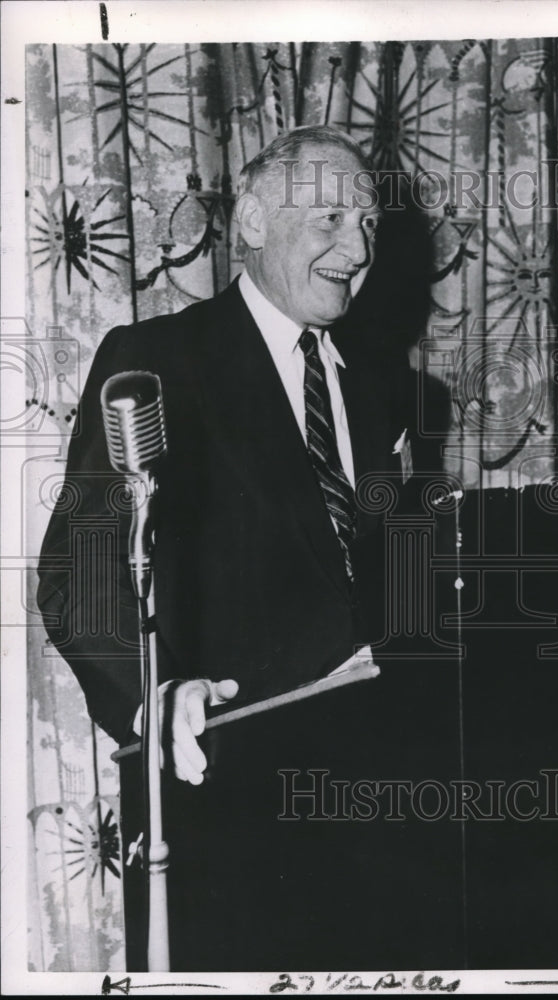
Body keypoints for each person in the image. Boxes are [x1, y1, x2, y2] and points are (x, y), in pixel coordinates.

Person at [35, 126, 440, 970]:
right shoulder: (156, 359)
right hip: (219, 789)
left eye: (367, 224)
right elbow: (82, 571)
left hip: (380, 800)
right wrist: (155, 696)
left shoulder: (382, 390)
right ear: (251, 219)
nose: (356, 247)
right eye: (328, 216)